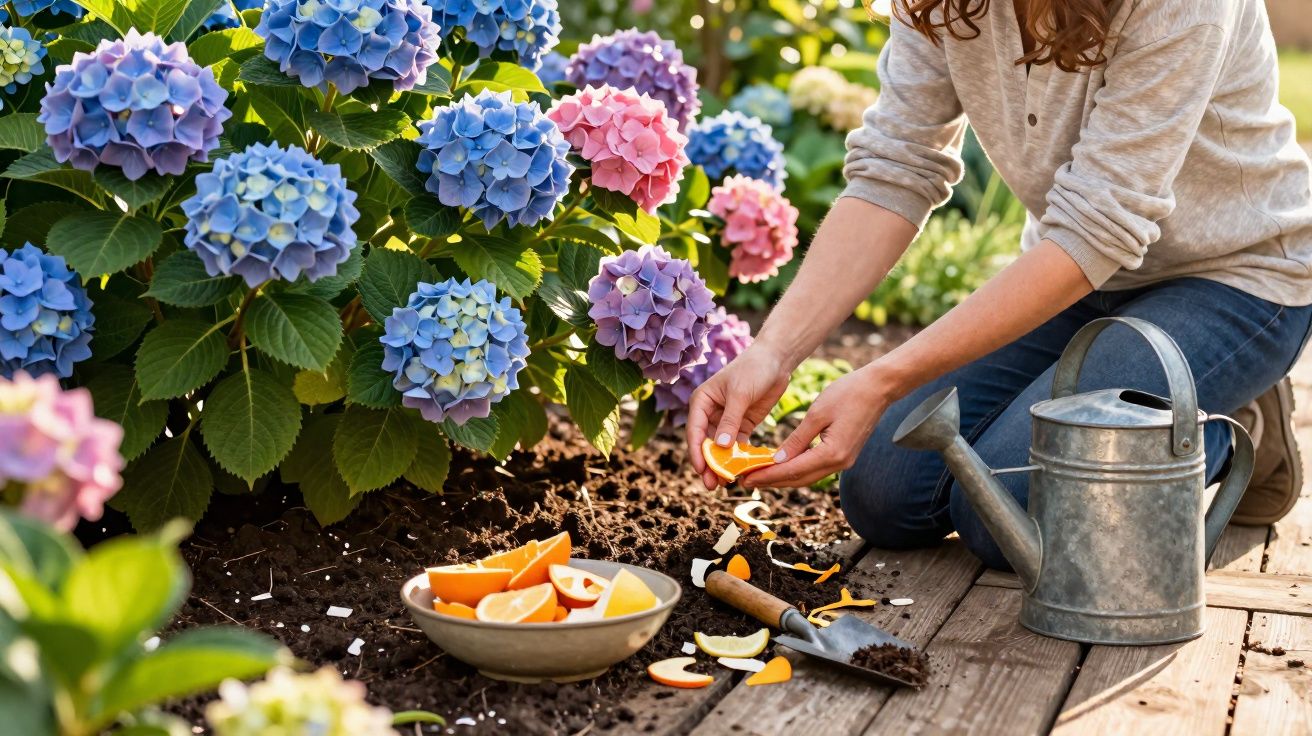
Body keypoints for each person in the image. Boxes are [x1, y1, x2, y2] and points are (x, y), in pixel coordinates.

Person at [686, 0, 1312, 570]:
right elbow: (897, 165)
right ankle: (1151, 404)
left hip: (1237, 279)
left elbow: (1100, 227)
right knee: (882, 492)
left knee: (1005, 515)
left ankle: (1232, 427)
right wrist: (774, 351)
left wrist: (882, 378)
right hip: (1072, 278)